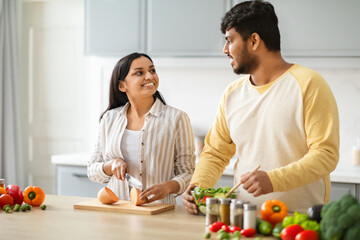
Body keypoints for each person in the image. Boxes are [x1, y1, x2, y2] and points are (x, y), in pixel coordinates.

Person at [182, 0, 339, 213]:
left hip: (300, 221)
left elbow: (325, 154)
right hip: (243, 219)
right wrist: (198, 186)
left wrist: (273, 180)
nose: (225, 49)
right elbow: (215, 153)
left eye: (230, 40)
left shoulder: (309, 84)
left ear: (254, 40)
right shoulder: (232, 94)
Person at [88, 52, 195, 204]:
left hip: (159, 212)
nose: (150, 76)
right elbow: (92, 170)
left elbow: (188, 173)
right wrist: (111, 165)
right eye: (139, 73)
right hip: (117, 212)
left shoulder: (176, 118)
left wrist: (168, 187)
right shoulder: (109, 119)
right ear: (122, 85)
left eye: (152, 70)